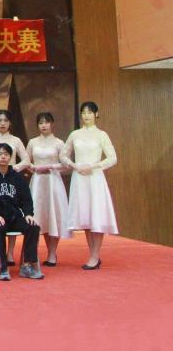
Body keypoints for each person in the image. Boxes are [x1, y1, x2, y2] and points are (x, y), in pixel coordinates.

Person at [61, 101, 117, 270]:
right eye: (84, 112)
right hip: (79, 178)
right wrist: (74, 165)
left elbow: (112, 158)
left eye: (90, 112)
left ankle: (95, 255)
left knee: (96, 215)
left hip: (95, 178)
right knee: (85, 215)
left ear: (96, 114)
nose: (86, 116)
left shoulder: (102, 135)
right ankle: (93, 254)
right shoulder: (75, 134)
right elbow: (63, 155)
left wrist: (93, 166)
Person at [0, 143, 44, 280]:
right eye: (0, 154)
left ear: (10, 157)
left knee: (33, 226)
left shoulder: (17, 177)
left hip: (14, 216)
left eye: (6, 154)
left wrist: (28, 214)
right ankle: (3, 267)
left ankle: (27, 265)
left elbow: (26, 199)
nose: (3, 157)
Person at [26, 112, 71, 266]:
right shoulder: (32, 142)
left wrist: (51, 166)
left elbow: (66, 164)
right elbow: (27, 161)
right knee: (40, 215)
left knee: (53, 214)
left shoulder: (59, 143)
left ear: (52, 123)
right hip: (38, 181)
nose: (43, 125)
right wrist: (34, 169)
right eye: (40, 123)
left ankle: (52, 253)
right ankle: (40, 251)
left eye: (46, 122)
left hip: (53, 180)